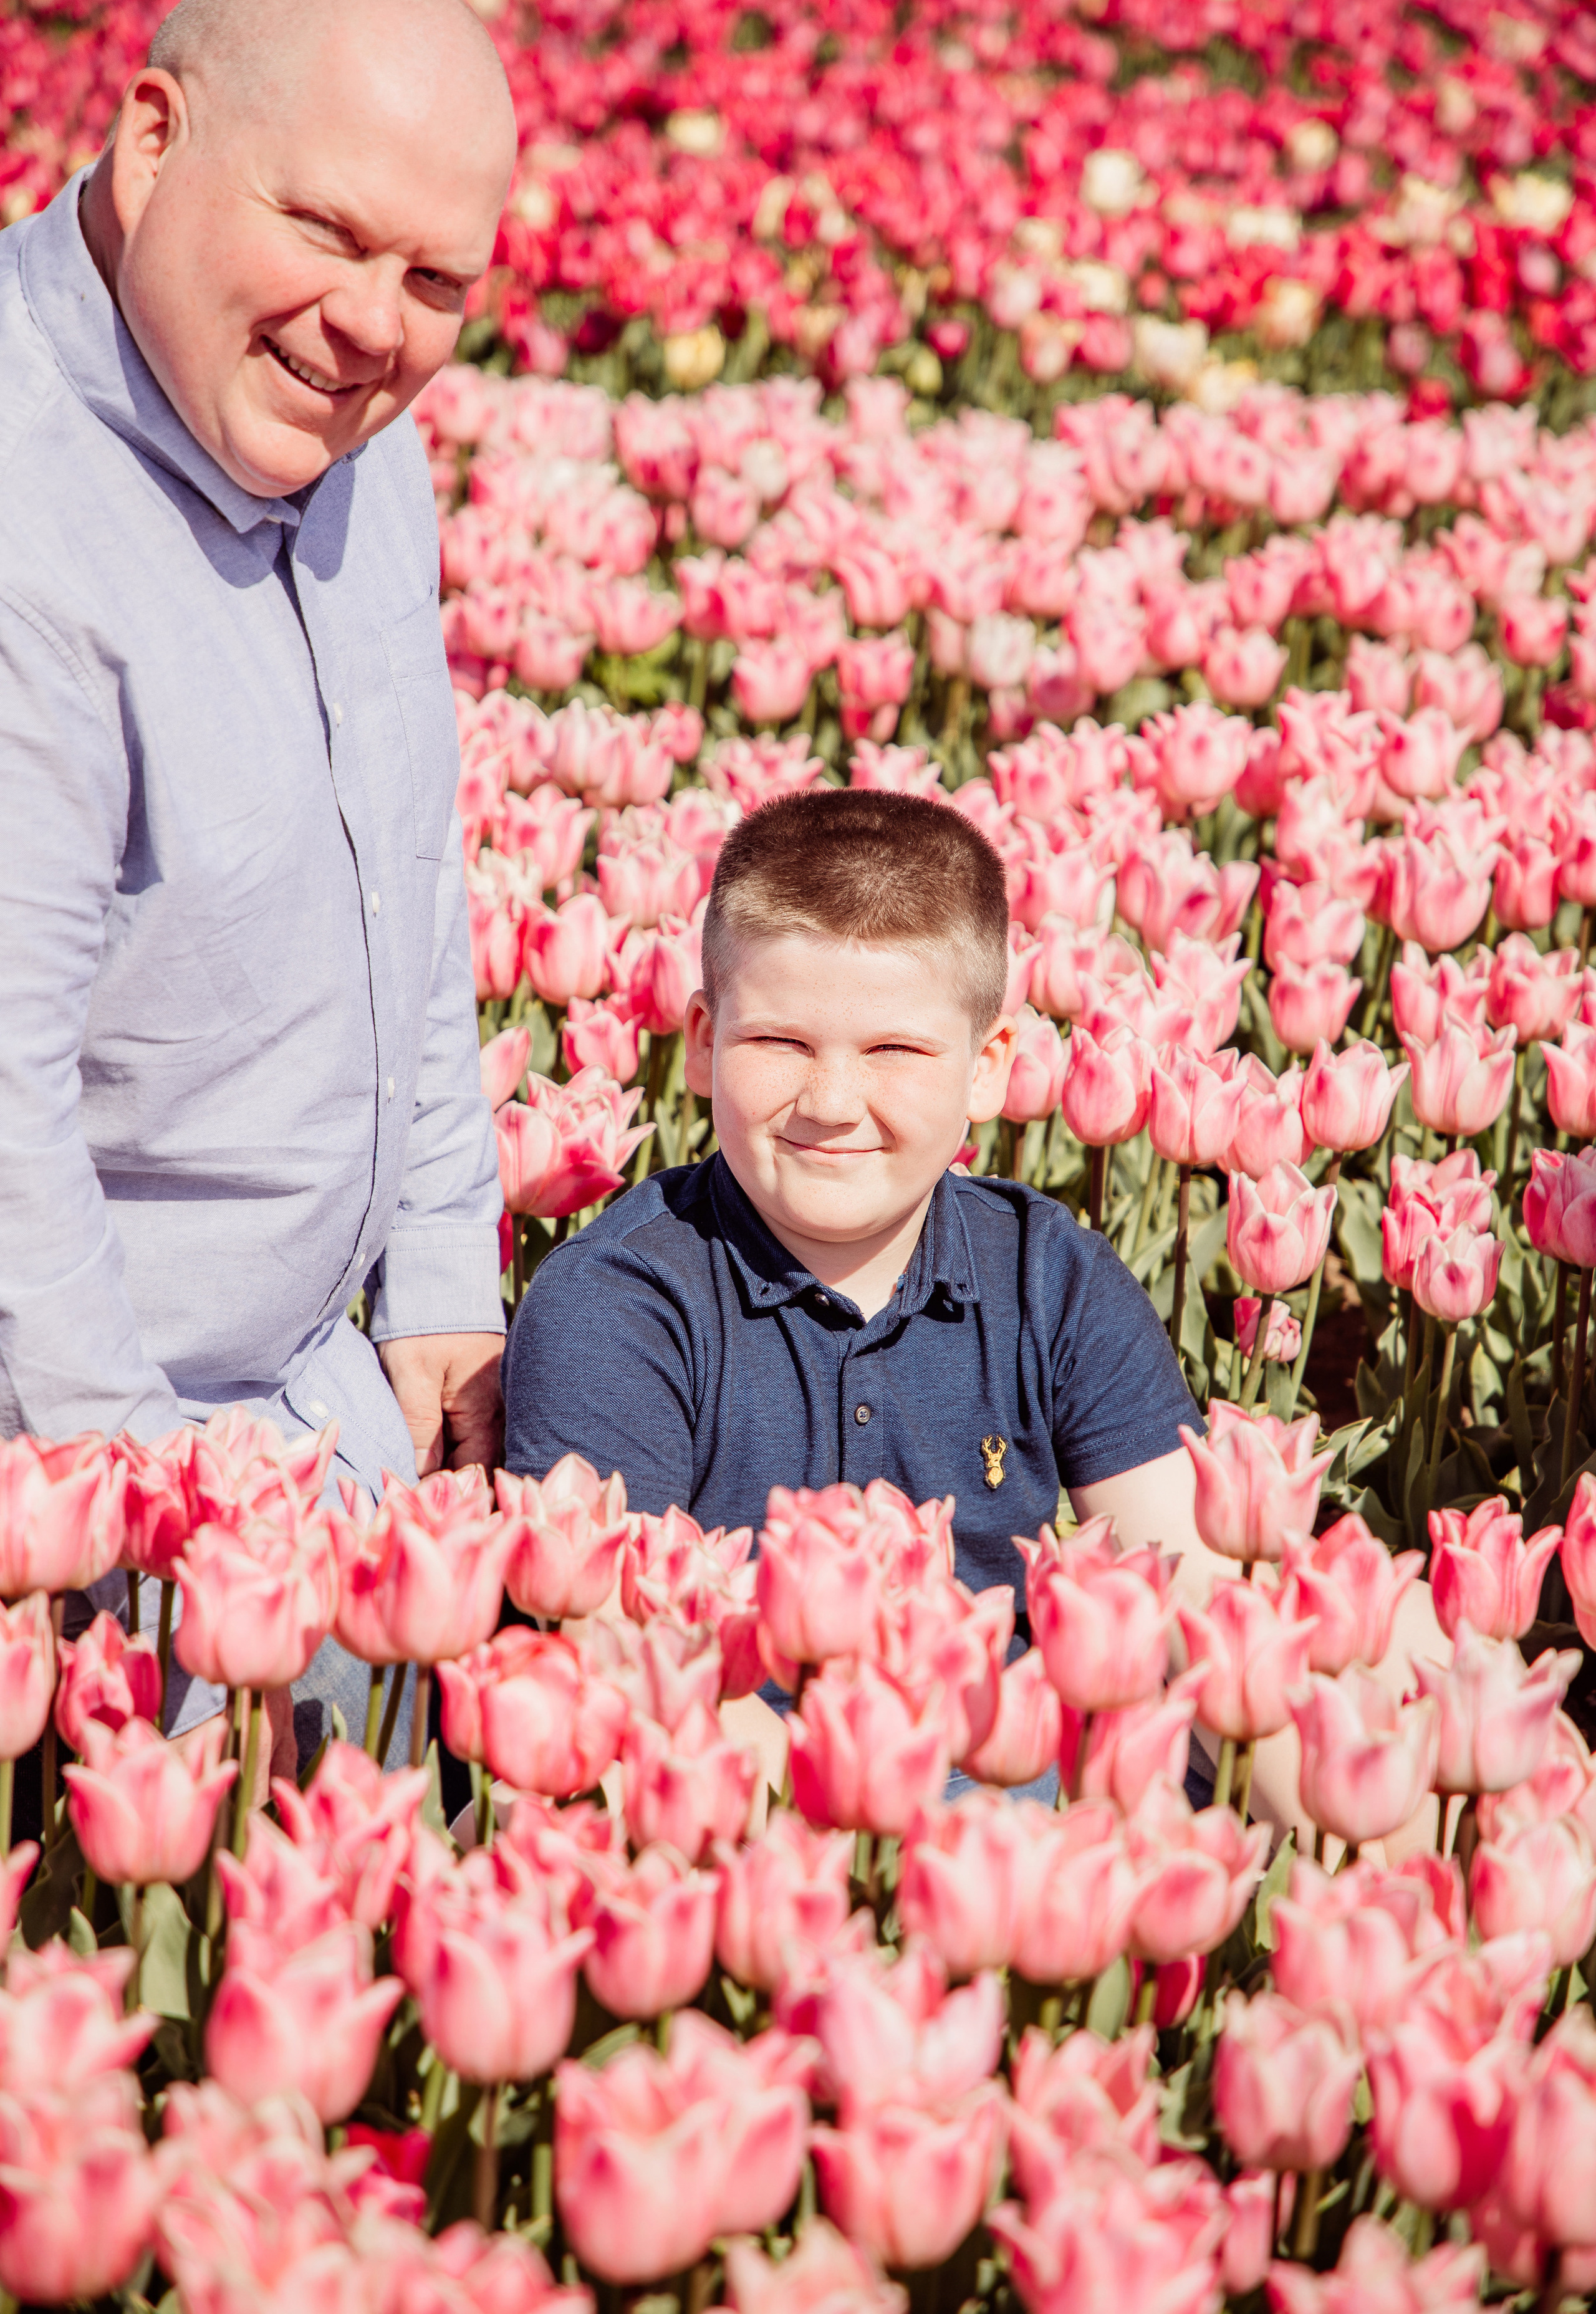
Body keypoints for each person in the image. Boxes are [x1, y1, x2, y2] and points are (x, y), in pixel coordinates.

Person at [506, 789, 1453, 1850]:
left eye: (895, 1053)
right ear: (698, 1042)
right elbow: (625, 1683)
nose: (828, 1100)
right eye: (779, 1039)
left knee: (1361, 1665)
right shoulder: (621, 1303)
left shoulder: (1048, 1276)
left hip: (1027, 1782)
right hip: (751, 1819)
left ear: (991, 1065)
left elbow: (1207, 1590)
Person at [0, 0, 517, 1754]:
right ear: (151, 142)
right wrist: (150, 1543)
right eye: (326, 229)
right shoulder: (24, 525)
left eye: (436, 276)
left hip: (334, 1429)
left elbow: (411, 864)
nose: (378, 322)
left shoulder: (350, 440)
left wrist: (450, 1250)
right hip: (86, 1506)